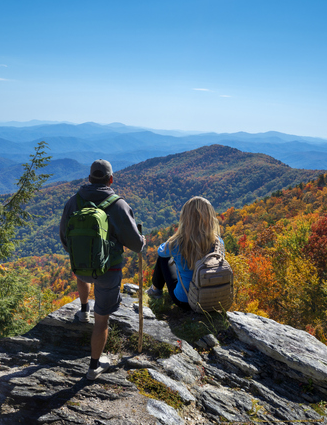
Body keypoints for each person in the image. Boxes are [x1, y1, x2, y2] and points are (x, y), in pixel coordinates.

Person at [59, 159, 144, 380]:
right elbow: (136, 245)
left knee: (83, 274)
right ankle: (94, 366)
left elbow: (64, 236)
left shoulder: (73, 202)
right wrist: (142, 240)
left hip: (81, 268)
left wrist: (80, 254)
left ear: (89, 178)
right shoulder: (118, 205)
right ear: (111, 179)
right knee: (102, 321)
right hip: (109, 272)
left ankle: (83, 309)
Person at [146, 196, 224, 310]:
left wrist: (175, 237)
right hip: (211, 300)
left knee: (163, 259)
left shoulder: (179, 242)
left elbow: (161, 251)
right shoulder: (218, 242)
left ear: (185, 218)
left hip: (185, 300)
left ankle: (155, 291)